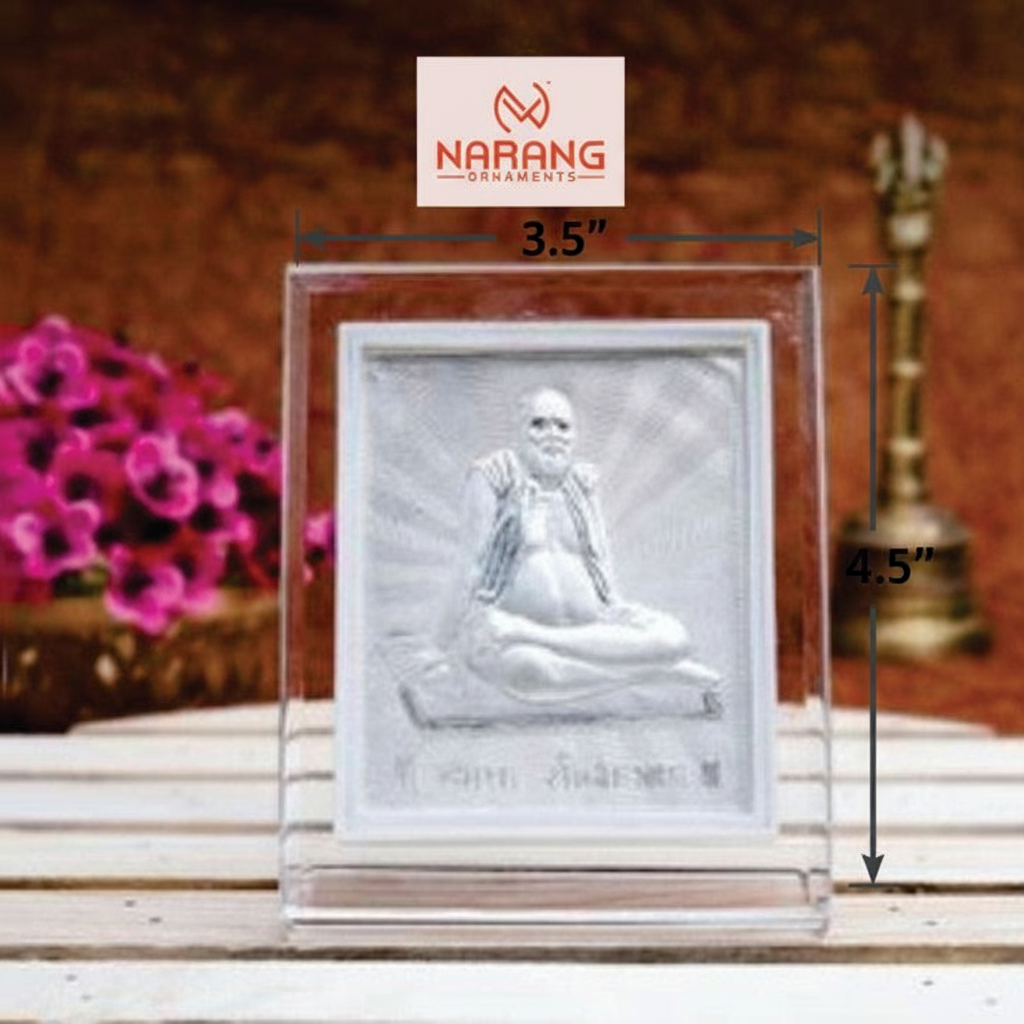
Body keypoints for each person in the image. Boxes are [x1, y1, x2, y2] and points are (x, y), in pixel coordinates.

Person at [438, 387, 713, 703]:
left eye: (563, 426)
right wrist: (441, 649)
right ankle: (660, 672)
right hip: (507, 639)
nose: (552, 434)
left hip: (583, 628)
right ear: (517, 432)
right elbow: (469, 566)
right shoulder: (492, 476)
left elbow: (602, 564)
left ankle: (540, 637)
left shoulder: (582, 484)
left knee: (674, 637)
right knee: (533, 672)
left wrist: (617, 614)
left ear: (574, 435)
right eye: (538, 424)